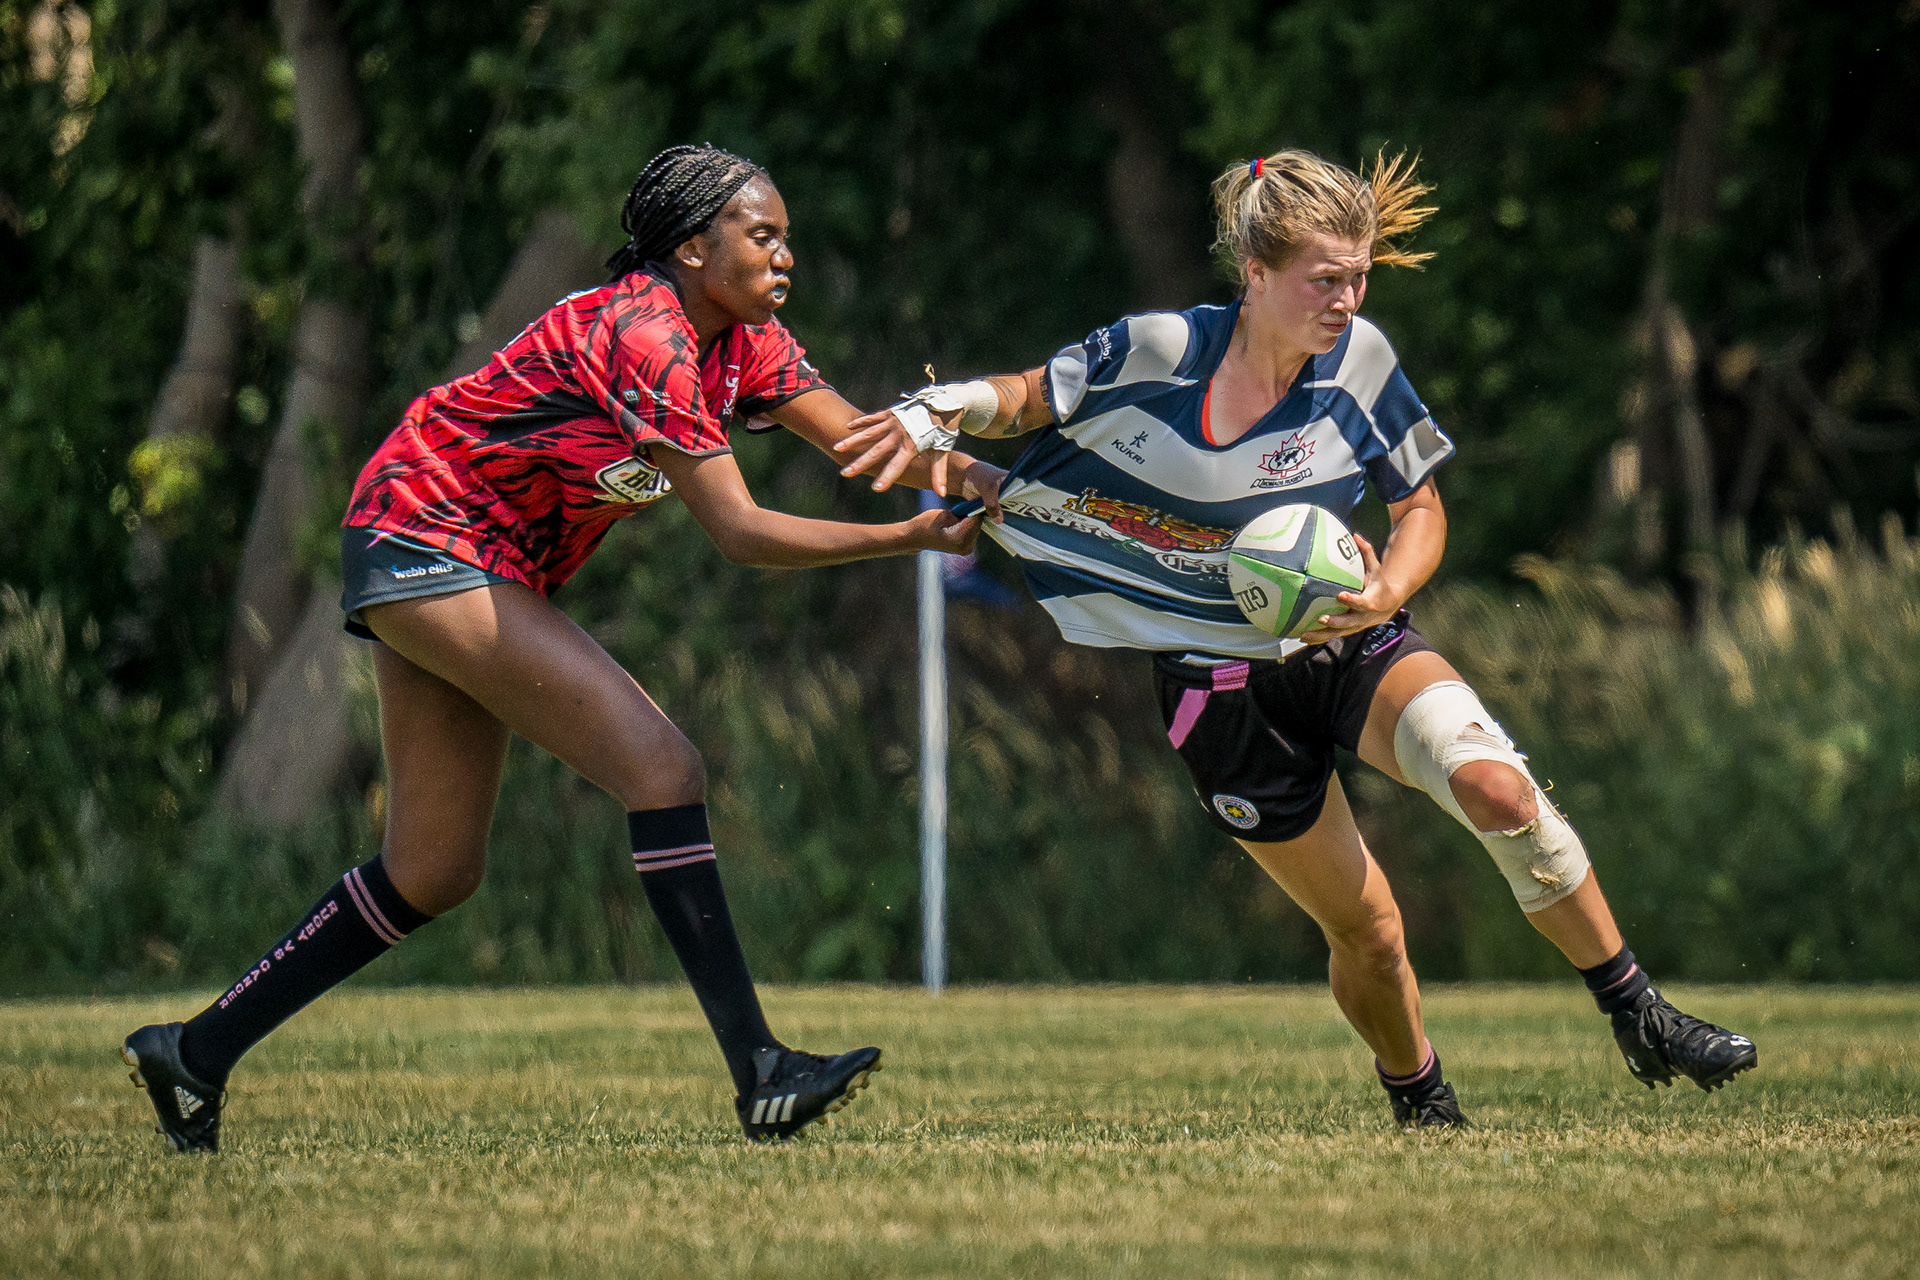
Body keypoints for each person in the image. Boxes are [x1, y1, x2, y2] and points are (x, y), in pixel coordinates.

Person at [834, 149, 1757, 1128]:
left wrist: (1389, 587)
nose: (1349, 298)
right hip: (1219, 692)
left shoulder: (1361, 362)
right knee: (1371, 932)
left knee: (1496, 783)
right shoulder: (1157, 349)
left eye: (1359, 275)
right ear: (1257, 273)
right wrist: (945, 407)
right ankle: (1422, 1098)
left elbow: (1422, 506)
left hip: (1349, 644)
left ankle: (1637, 1008)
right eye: (1327, 278)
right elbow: (1024, 398)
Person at [122, 144, 1000, 1152]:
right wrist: (904, 538)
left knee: (433, 867)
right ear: (690, 246)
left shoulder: (743, 338)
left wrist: (981, 477)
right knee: (662, 765)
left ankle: (192, 1053)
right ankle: (760, 1070)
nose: (786, 255)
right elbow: (743, 533)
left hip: (462, 552)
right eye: (766, 236)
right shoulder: (648, 334)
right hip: (425, 533)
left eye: (786, 238)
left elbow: (859, 439)